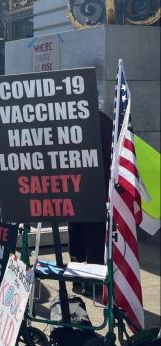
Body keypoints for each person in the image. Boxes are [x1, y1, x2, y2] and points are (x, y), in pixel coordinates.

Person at [68, 109, 114, 295]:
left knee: (88, 237)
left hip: (91, 192)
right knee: (80, 237)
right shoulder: (101, 121)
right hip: (79, 191)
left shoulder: (102, 121)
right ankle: (84, 282)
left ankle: (87, 282)